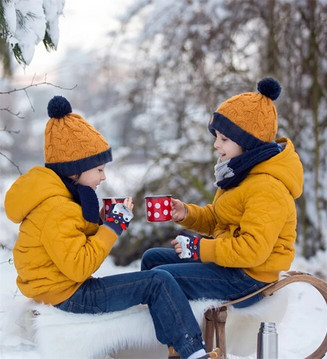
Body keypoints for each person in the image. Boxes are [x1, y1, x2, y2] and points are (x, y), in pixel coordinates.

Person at [4, 96, 220, 359]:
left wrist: (102, 222)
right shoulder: (56, 207)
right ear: (76, 170)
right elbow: (79, 265)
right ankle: (193, 352)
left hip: (59, 289)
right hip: (68, 295)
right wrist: (111, 228)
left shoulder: (57, 198)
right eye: (99, 169)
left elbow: (68, 241)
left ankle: (174, 346)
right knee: (157, 280)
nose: (103, 176)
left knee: (155, 272)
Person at [141, 78, 304, 308]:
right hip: (231, 266)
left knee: (159, 278)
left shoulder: (268, 187)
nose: (216, 145)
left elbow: (252, 251)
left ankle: (189, 342)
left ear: (249, 143)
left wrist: (199, 249)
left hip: (250, 278)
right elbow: (220, 220)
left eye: (224, 139)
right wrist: (185, 214)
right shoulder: (242, 174)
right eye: (216, 137)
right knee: (152, 259)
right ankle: (160, 327)